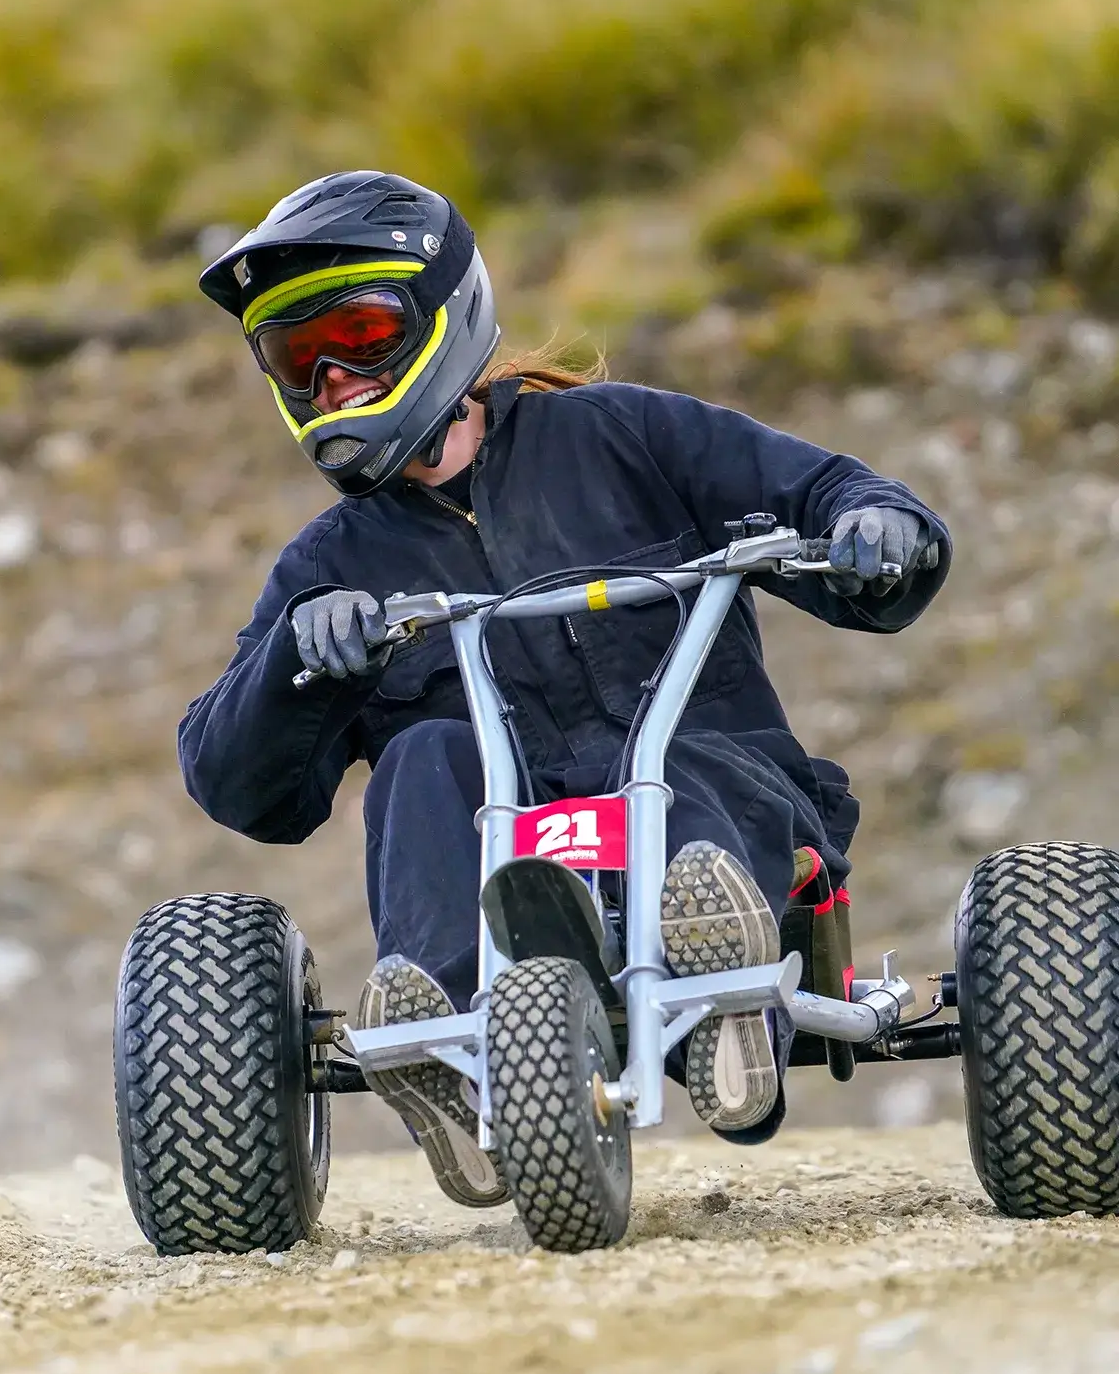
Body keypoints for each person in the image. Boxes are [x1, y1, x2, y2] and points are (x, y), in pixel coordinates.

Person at [181, 170, 949, 1208]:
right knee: (420, 758)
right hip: (513, 880)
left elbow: (825, 492)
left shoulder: (624, 436)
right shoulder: (334, 564)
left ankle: (727, 1009)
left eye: (357, 336)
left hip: (715, 806)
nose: (332, 382)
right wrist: (296, 661)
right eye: (295, 357)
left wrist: (876, 530)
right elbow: (240, 787)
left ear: (445, 318)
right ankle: (454, 1064)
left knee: (668, 754)